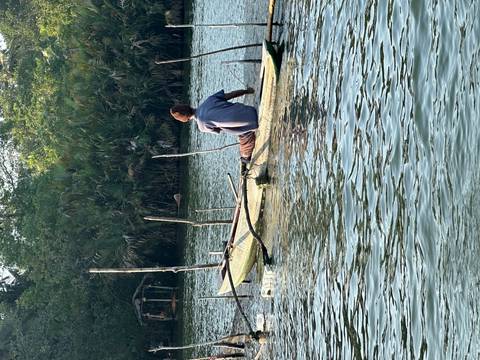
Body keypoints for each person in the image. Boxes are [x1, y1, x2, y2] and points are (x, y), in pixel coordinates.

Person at [170, 88, 258, 163]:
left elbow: (220, 130)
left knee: (244, 144)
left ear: (185, 120)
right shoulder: (209, 100)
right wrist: (246, 91)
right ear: (188, 106)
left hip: (251, 124)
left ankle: (245, 159)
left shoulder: (202, 126)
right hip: (251, 110)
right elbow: (232, 94)